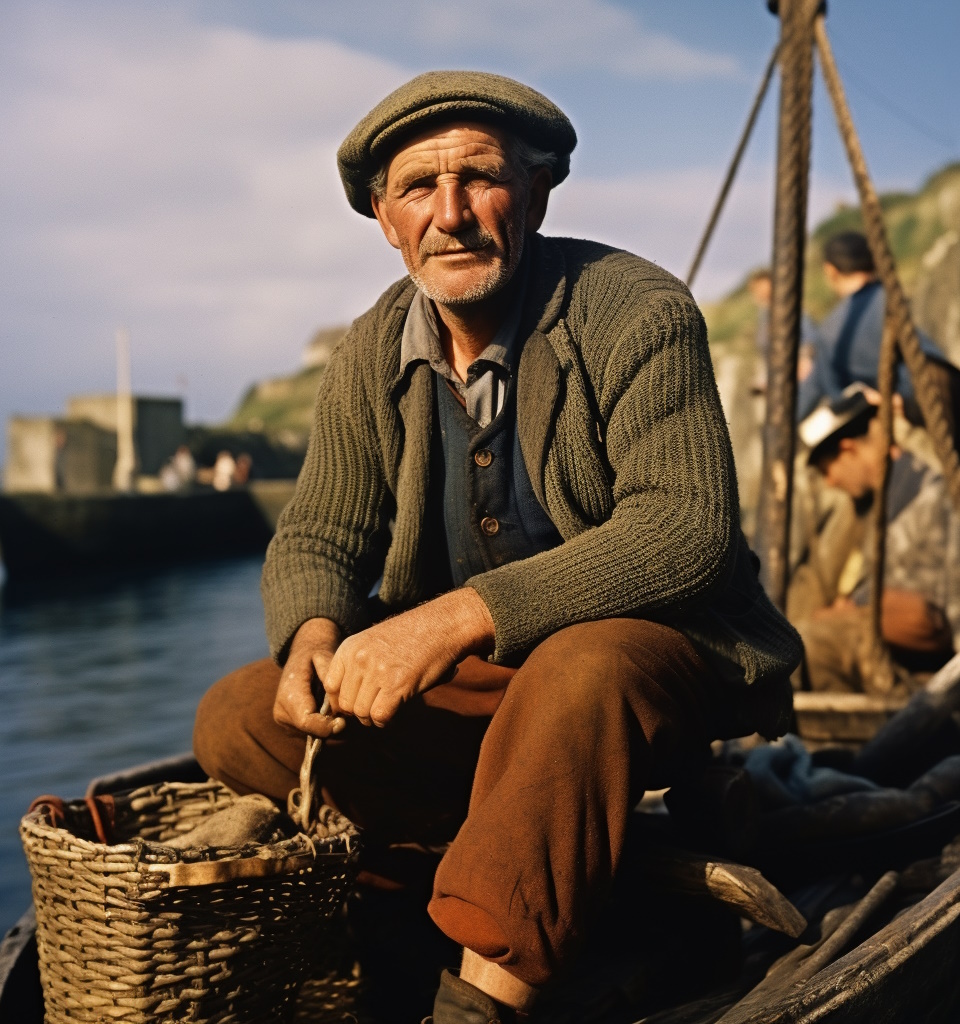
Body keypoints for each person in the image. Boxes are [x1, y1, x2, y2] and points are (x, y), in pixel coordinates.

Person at [193, 71, 802, 1023]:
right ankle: (455, 891)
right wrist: (314, 632)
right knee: (238, 716)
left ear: (537, 191)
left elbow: (686, 532)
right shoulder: (368, 353)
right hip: (493, 686)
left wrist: (450, 620)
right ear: (385, 220)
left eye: (481, 178)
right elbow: (320, 531)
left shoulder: (634, 309)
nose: (452, 214)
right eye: (417, 189)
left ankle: (484, 996)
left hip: (656, 658)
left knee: (581, 668)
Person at [794, 387, 960, 693]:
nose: (830, 482)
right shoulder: (880, 502)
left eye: (827, 470)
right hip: (891, 654)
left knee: (812, 644)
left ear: (848, 450)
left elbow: (931, 623)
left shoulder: (928, 497)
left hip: (925, 672)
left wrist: (853, 614)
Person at [796, 231, 943, 421]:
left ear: (830, 271)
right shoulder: (901, 300)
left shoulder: (828, 333)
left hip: (897, 422)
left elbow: (825, 396)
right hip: (940, 406)